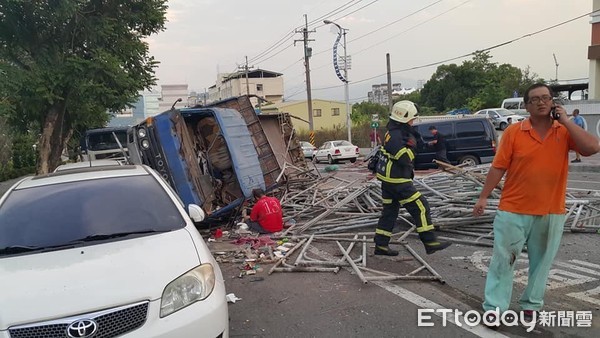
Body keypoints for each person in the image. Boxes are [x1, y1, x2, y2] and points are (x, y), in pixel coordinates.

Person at [472, 83, 600, 327]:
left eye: (546, 98)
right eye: (535, 99)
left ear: (553, 102)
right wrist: (483, 196)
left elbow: (592, 147)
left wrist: (566, 121)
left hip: (551, 211)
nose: (542, 102)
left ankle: (531, 305)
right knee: (503, 260)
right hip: (513, 209)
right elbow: (498, 166)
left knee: (542, 264)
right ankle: (495, 308)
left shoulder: (563, 132)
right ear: (527, 105)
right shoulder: (514, 132)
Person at [373, 100, 451, 256]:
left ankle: (381, 245)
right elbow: (404, 158)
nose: (412, 121)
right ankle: (430, 242)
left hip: (389, 180)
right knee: (421, 206)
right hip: (398, 180)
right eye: (411, 119)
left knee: (390, 211)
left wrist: (416, 143)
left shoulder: (394, 131)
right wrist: (412, 148)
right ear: (404, 118)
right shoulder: (396, 136)